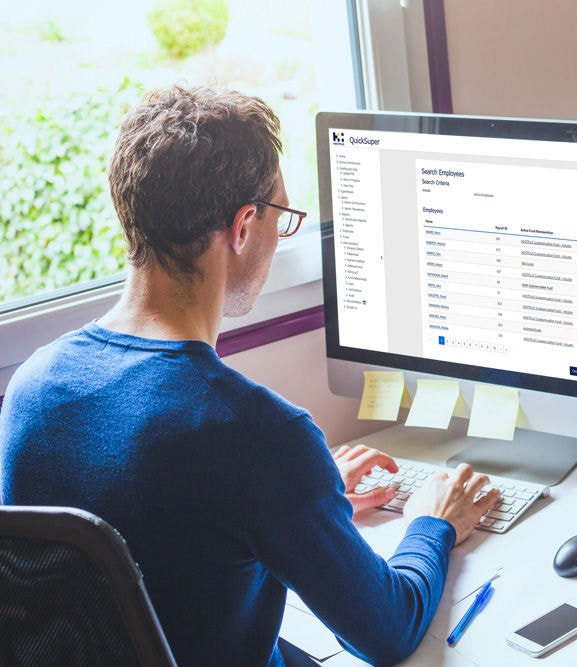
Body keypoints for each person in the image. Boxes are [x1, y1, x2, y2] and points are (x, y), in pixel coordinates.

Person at [0, 84, 502, 666]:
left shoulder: (33, 389)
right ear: (242, 228)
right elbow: (386, 633)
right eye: (282, 218)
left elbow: (164, 535)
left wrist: (306, 500)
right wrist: (431, 525)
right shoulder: (258, 437)